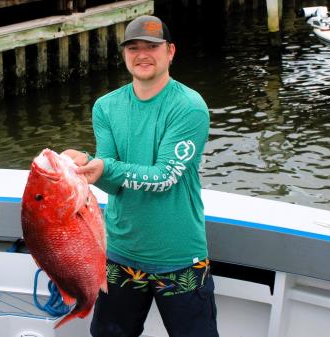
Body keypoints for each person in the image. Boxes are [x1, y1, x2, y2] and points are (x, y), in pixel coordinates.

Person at [63, 15, 219, 337]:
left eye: (152, 46)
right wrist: (86, 168)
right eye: (133, 47)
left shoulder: (189, 107)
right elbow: (112, 181)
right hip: (120, 254)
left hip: (179, 258)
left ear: (171, 52)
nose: (142, 54)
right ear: (124, 54)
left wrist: (104, 167)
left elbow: (165, 177)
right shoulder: (106, 107)